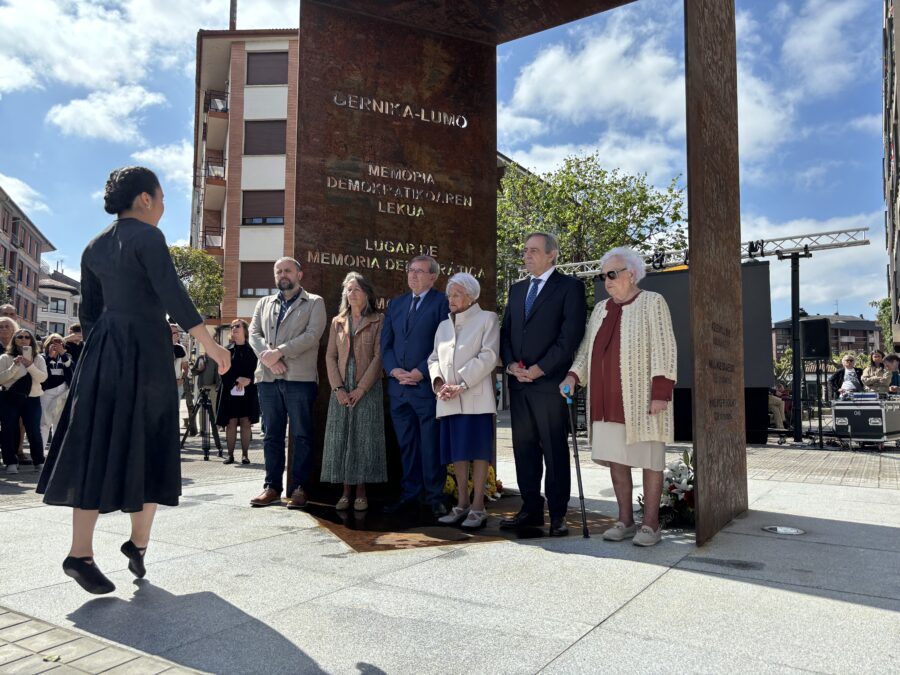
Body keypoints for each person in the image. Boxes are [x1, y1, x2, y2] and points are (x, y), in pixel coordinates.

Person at [36, 166, 230, 595]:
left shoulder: (93, 247)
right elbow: (171, 293)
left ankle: (80, 552)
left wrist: (101, 345)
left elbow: (88, 314)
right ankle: (137, 544)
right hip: (143, 349)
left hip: (102, 351)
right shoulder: (148, 237)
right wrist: (211, 346)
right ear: (145, 199)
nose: (163, 207)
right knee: (151, 439)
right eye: (161, 199)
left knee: (95, 443)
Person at [560, 246, 676, 547]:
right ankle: (625, 520)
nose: (607, 280)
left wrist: (660, 392)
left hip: (642, 400)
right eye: (603, 275)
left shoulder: (652, 302)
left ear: (632, 274)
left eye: (612, 274)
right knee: (617, 461)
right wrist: (573, 376)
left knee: (650, 461)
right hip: (604, 401)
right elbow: (586, 350)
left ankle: (650, 525)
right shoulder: (600, 309)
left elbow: (665, 348)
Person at [500, 232, 586, 537]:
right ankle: (530, 509)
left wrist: (540, 368)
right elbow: (506, 332)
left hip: (550, 384)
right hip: (520, 384)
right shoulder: (517, 289)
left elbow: (570, 336)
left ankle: (559, 514)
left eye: (533, 250)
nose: (526, 255)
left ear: (552, 254)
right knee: (524, 450)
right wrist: (511, 365)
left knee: (554, 451)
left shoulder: (570, 287)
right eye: (525, 250)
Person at [248, 257, 326, 509]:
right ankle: (271, 487)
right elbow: (254, 334)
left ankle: (300, 488)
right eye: (278, 271)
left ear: (299, 275)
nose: (283, 274)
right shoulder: (263, 303)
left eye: (288, 270)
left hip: (299, 379)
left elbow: (312, 336)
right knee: (271, 435)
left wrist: (279, 352)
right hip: (268, 378)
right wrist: (269, 360)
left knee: (302, 435)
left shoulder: (314, 302)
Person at [428, 273, 500, 530]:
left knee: (478, 453)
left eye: (457, 294)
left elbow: (489, 356)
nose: (451, 299)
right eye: (450, 294)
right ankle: (461, 504)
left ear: (471, 296)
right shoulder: (443, 326)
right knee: (457, 453)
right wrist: (438, 383)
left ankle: (478, 507)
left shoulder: (487, 319)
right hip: (447, 399)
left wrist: (461, 383)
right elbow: (434, 358)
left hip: (475, 399)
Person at [381, 255, 450, 518]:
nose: (413, 275)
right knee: (407, 445)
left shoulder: (442, 303)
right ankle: (410, 495)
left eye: (420, 271)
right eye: (410, 270)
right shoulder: (397, 304)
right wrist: (393, 370)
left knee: (431, 446)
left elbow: (443, 344)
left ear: (433, 277)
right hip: (399, 389)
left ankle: (435, 497)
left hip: (425, 389)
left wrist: (421, 371)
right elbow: (386, 344)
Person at [321, 272, 387, 511]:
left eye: (356, 289)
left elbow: (380, 357)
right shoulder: (337, 321)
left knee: (364, 439)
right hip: (341, 387)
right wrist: (338, 388)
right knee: (342, 439)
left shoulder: (378, 320)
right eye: (348, 290)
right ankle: (345, 491)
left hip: (367, 387)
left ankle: (361, 491)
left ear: (366, 294)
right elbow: (330, 355)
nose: (351, 294)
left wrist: (361, 388)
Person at [0, 328, 47, 474]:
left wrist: (29, 365)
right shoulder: (5, 358)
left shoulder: (39, 358)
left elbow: (42, 378)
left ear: (31, 341)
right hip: (9, 398)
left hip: (32, 399)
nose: (23, 339)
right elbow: (2, 379)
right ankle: (10, 462)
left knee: (33, 430)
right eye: (19, 337)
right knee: (8, 429)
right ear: (14, 340)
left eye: (27, 337)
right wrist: (15, 365)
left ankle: (39, 462)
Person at [216, 319, 259, 465]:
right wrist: (236, 380)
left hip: (249, 391)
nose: (234, 328)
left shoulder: (254, 350)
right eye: (232, 326)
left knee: (246, 423)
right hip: (230, 391)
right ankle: (230, 455)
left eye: (237, 326)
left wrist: (249, 380)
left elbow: (259, 370)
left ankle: (245, 455)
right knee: (231, 423)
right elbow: (222, 371)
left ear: (245, 330)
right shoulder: (227, 350)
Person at [40, 333, 75, 449]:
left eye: (59, 342)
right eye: (52, 342)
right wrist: (50, 356)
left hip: (63, 391)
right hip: (46, 392)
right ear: (47, 344)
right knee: (44, 422)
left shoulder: (66, 355)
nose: (56, 345)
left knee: (59, 423)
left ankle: (55, 452)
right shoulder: (42, 357)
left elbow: (70, 366)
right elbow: (41, 368)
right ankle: (40, 453)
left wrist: (62, 353)